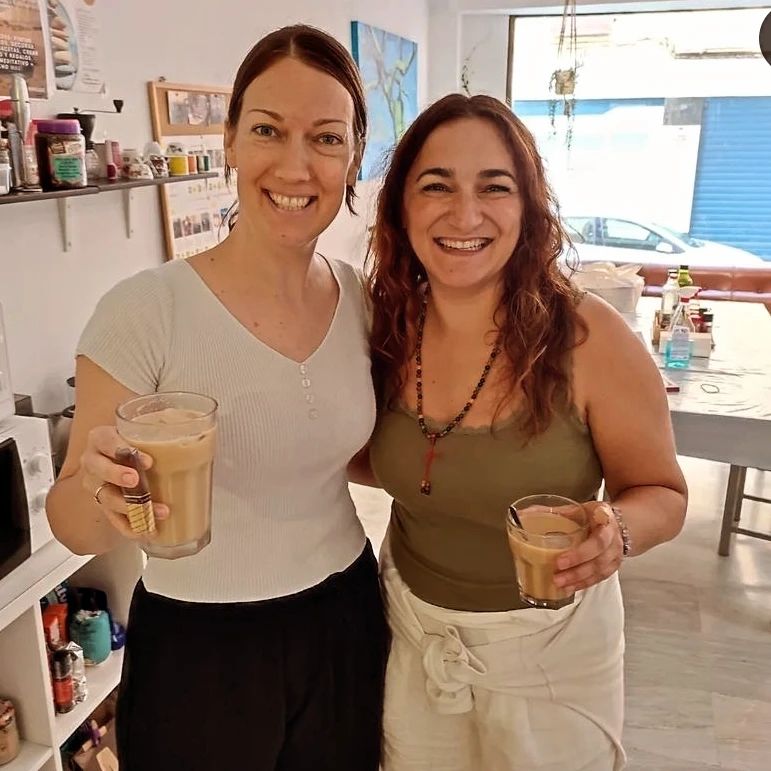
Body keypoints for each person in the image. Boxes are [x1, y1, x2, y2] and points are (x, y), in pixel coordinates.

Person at [46, 25, 388, 771]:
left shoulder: (361, 299)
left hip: (347, 617)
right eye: (267, 129)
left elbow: (350, 450)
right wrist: (104, 497)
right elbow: (71, 518)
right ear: (229, 139)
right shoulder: (145, 309)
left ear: (352, 158)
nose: (295, 164)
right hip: (201, 646)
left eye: (326, 138)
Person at [363, 93, 688, 770]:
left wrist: (616, 532)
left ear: (528, 207)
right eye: (435, 186)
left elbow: (661, 490)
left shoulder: (589, 337)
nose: (464, 214)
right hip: (414, 633)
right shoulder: (381, 329)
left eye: (494, 187)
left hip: (552, 649)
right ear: (400, 205)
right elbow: (373, 456)